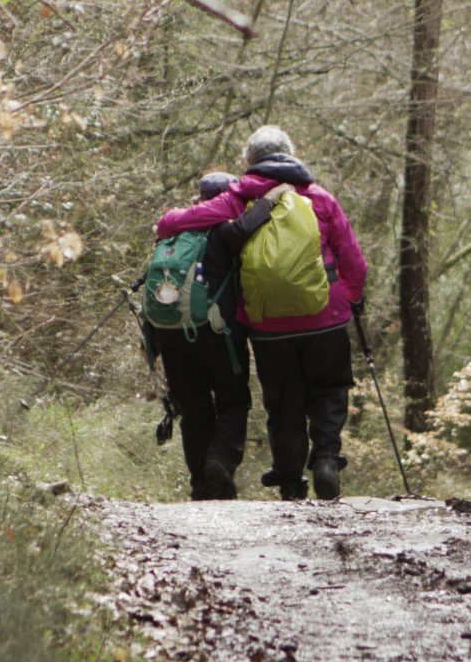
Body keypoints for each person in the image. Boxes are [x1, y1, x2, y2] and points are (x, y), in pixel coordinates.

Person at [155, 126, 367, 500]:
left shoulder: (239, 199)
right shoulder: (319, 198)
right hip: (327, 314)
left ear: (250, 162)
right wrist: (353, 298)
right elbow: (352, 259)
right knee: (330, 388)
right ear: (292, 154)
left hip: (267, 322)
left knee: (283, 398)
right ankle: (327, 459)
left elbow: (168, 225)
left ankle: (289, 479)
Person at [146, 171, 268, 500]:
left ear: (199, 197)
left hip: (170, 334)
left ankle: (201, 485)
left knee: (194, 409)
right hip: (218, 332)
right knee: (233, 401)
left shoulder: (172, 234)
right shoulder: (227, 232)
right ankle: (220, 461)